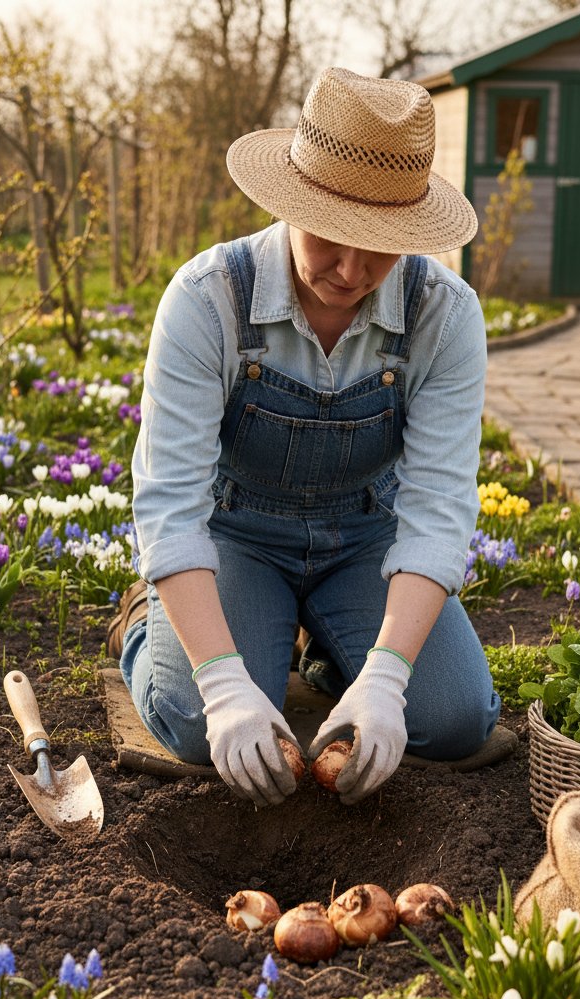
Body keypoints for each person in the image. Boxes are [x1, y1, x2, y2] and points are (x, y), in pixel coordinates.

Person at [108, 66, 502, 808]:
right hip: (237, 537)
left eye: (382, 246)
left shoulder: (443, 315)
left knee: (454, 718)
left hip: (366, 539)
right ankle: (144, 619)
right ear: (293, 201)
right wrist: (223, 683)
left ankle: (338, 654)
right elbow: (168, 506)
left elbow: (440, 508)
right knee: (199, 726)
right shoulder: (208, 300)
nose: (352, 270)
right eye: (332, 237)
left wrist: (387, 676)